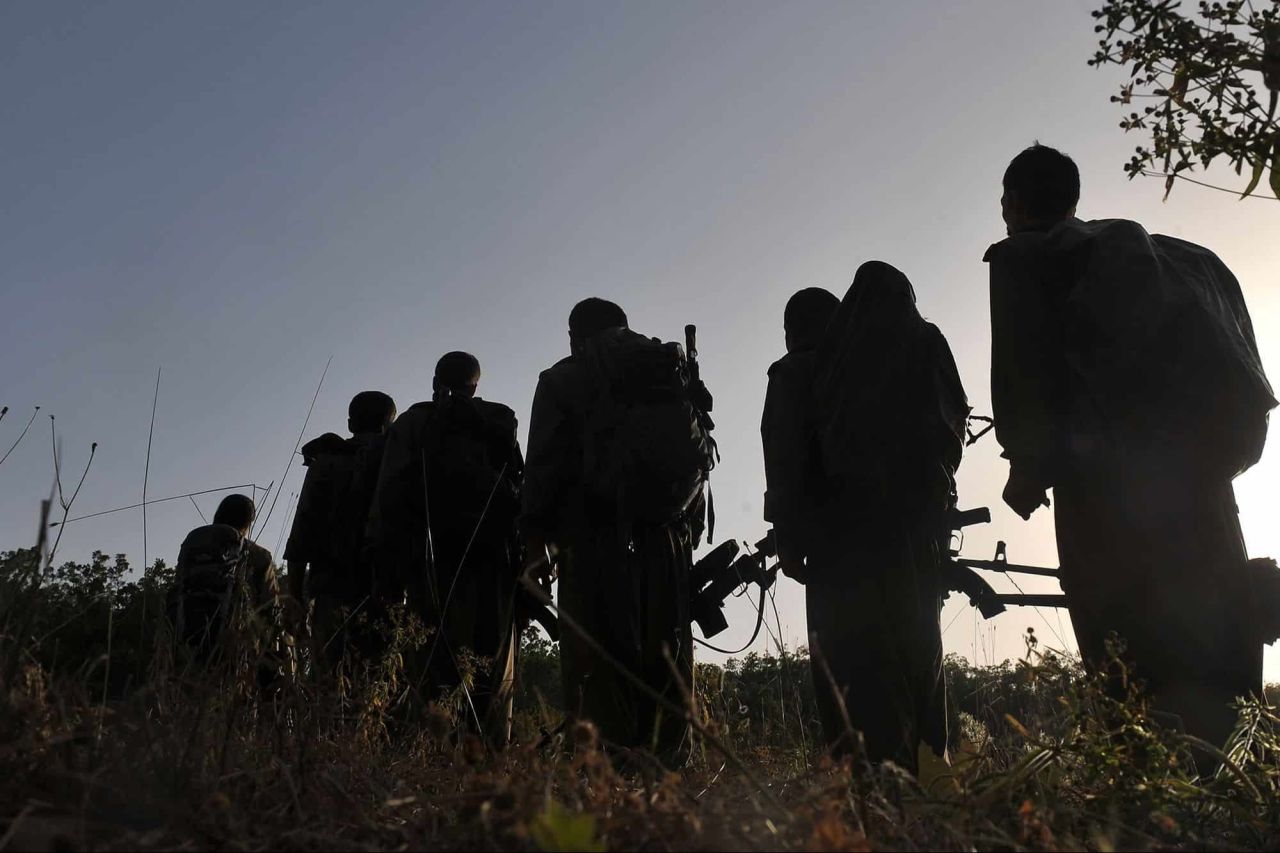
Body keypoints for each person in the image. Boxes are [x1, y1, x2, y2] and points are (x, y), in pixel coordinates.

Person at [986, 143, 1275, 745]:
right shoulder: (1183, 261)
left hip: (1104, 501)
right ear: (1074, 196)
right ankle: (1227, 806)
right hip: (1202, 490)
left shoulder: (1025, 258)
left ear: (1011, 203)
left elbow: (1022, 376)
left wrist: (1027, 469)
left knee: (1124, 660)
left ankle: (1147, 810)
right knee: (1215, 638)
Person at [763, 270, 967, 773]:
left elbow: (785, 461)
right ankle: (930, 786)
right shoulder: (915, 351)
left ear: (792, 331)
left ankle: (868, 799)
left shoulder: (800, 372)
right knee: (920, 663)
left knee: (849, 675)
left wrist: (790, 540)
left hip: (841, 548)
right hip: (920, 540)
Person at [521, 298, 714, 767]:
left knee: (597, 670)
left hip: (592, 545)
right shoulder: (668, 366)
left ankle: (605, 789)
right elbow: (698, 461)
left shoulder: (561, 379)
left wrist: (535, 547)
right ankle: (670, 787)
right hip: (667, 542)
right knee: (667, 662)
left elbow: (543, 472)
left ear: (574, 335)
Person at [369, 352, 523, 744]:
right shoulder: (501, 419)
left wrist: (388, 574)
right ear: (476, 385)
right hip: (493, 564)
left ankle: (430, 757)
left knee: (430, 665)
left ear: (434, 380)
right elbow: (519, 489)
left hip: (428, 564)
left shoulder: (414, 422)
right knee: (493, 673)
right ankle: (490, 763)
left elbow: (388, 499)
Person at [284, 390, 397, 678]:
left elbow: (302, 534)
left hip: (331, 591)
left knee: (327, 683)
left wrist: (296, 597)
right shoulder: (396, 460)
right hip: (383, 591)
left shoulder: (327, 462)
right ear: (390, 424)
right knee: (378, 685)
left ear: (350, 424)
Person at [171, 493, 281, 671]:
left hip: (187, 644)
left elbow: (179, 587)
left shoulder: (192, 544)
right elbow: (271, 610)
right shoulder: (259, 555)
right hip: (237, 648)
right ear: (248, 522)